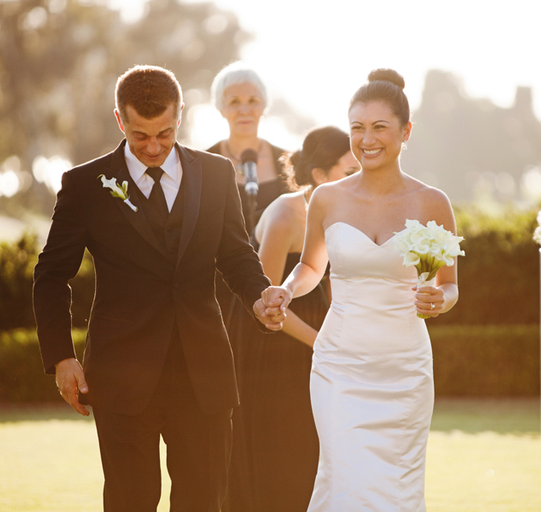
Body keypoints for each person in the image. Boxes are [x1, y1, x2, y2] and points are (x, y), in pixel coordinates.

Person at [33, 65, 284, 512]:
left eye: (164, 134)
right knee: (129, 502)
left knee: (204, 502)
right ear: (120, 120)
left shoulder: (216, 173)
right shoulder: (85, 184)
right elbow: (51, 275)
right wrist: (61, 357)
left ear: (180, 116)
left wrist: (259, 297)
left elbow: (236, 256)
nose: (153, 147)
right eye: (140, 136)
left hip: (204, 375)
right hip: (121, 376)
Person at [261, 69, 459, 511]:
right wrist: (287, 290)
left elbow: (448, 286)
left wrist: (439, 300)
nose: (366, 140)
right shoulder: (327, 198)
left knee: (396, 489)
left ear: (406, 131)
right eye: (357, 127)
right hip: (339, 365)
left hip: (405, 369)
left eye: (379, 127)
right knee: (345, 479)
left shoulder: (432, 202)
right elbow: (311, 266)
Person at [224, 127, 359, 512]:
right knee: (285, 447)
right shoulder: (287, 214)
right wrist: (322, 342)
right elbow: (266, 304)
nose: (358, 179)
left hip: (317, 334)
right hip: (272, 343)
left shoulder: (346, 209)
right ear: (319, 174)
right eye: (349, 172)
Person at [206, 62, 289, 328]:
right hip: (222, 297)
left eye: (252, 101)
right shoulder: (202, 165)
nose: (244, 110)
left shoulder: (288, 162)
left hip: (281, 295)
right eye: (234, 102)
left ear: (264, 106)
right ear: (221, 108)